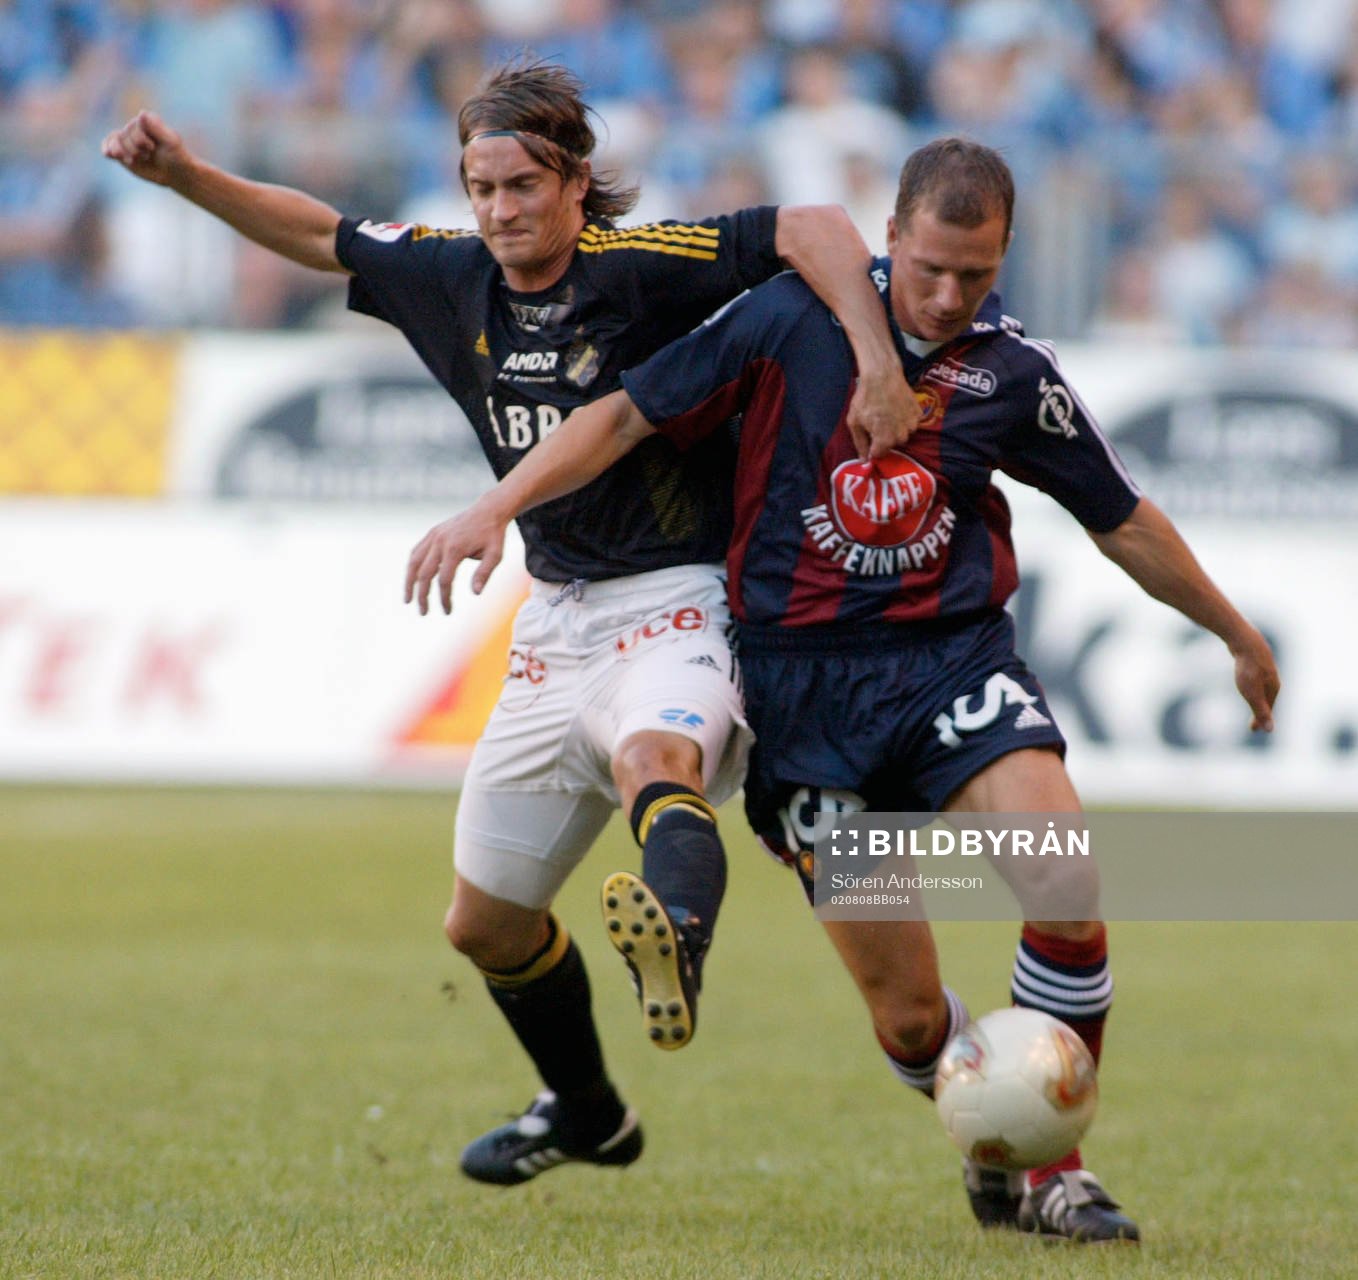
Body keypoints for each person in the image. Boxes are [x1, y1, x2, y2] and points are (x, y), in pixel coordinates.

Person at [405, 136, 1280, 1242]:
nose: (952, 294)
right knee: (911, 1020)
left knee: (1059, 875)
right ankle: (985, 1121)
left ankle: (1054, 1165)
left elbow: (1120, 519)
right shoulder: (783, 322)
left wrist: (1233, 633)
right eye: (929, 269)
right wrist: (496, 507)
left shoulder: (1011, 371)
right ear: (890, 240)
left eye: (977, 272)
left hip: (948, 663)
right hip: (802, 700)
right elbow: (621, 415)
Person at [102, 60, 917, 1187]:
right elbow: (320, 234)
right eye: (480, 187)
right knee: (482, 925)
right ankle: (586, 1113)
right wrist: (185, 173)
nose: (499, 209)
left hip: (681, 596)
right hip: (556, 623)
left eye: (521, 185)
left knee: (655, 754)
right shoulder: (450, 277)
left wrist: (878, 363)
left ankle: (673, 934)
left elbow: (816, 226)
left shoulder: (635, 268)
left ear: (575, 180)